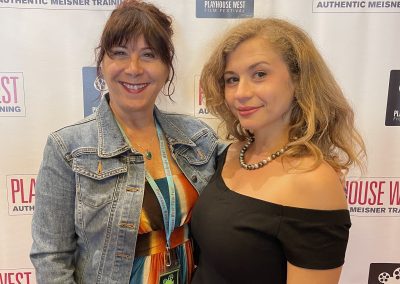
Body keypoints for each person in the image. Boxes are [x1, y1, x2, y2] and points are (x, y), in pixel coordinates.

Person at [30, 1, 222, 283]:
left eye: (148, 55)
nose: (133, 69)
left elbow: (252, 162)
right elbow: (51, 257)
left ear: (167, 66)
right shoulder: (67, 147)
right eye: (120, 53)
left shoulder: (197, 138)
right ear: (102, 65)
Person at [190, 18, 366, 284]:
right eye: (232, 79)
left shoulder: (313, 180)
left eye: (259, 74)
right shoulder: (232, 153)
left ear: (298, 80)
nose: (241, 92)